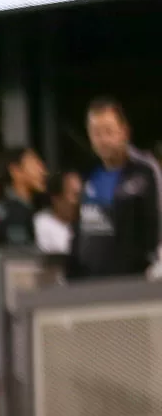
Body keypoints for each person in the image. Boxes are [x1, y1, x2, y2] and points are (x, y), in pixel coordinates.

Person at [69, 97, 161, 281]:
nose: (102, 139)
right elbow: (79, 233)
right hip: (89, 283)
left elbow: (155, 225)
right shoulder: (88, 175)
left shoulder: (145, 173)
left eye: (108, 131)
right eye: (96, 133)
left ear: (124, 132)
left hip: (132, 282)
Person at [0, 146, 47, 249]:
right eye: (36, 164)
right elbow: (19, 254)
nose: (43, 171)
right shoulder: (7, 212)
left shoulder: (40, 207)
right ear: (16, 171)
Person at [36, 170, 83, 258]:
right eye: (75, 195)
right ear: (56, 198)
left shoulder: (86, 223)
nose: (79, 201)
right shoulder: (41, 222)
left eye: (82, 195)